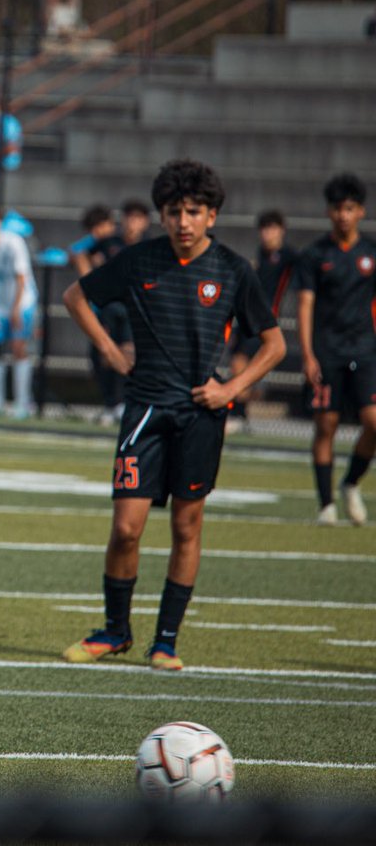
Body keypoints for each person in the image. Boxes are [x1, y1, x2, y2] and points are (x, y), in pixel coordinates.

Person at [61, 159, 284, 671]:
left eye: (194, 211)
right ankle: (115, 631)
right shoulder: (139, 260)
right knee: (127, 528)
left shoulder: (232, 269)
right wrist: (110, 350)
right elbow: (76, 297)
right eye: (175, 211)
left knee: (187, 526)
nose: (184, 221)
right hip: (143, 410)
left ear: (212, 216)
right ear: (162, 215)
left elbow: (274, 344)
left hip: (200, 416)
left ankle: (165, 641)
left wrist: (231, 389)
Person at [295, 173, 376, 527]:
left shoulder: (371, 253)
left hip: (365, 350)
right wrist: (308, 354)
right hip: (327, 351)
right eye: (337, 208)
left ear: (361, 211)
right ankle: (326, 504)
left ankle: (351, 482)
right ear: (328, 211)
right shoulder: (315, 255)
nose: (343, 215)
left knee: (374, 422)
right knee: (326, 425)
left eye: (350, 208)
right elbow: (305, 305)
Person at [227, 210, 298, 432]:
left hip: (264, 321)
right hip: (246, 318)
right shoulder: (260, 255)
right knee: (238, 364)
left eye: (272, 229)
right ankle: (241, 411)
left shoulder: (288, 257)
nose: (268, 234)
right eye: (264, 229)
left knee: (243, 365)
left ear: (281, 231)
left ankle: (239, 412)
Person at [71, 205, 132, 425]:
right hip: (102, 310)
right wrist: (91, 277)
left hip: (125, 309)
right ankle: (111, 403)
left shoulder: (121, 242)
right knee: (102, 357)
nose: (98, 232)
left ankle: (123, 402)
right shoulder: (96, 245)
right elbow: (76, 253)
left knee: (125, 352)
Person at [0, 207, 38, 420]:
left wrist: (16, 309)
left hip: (23, 303)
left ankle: (23, 403)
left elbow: (22, 279)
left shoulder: (13, 243)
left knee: (18, 348)